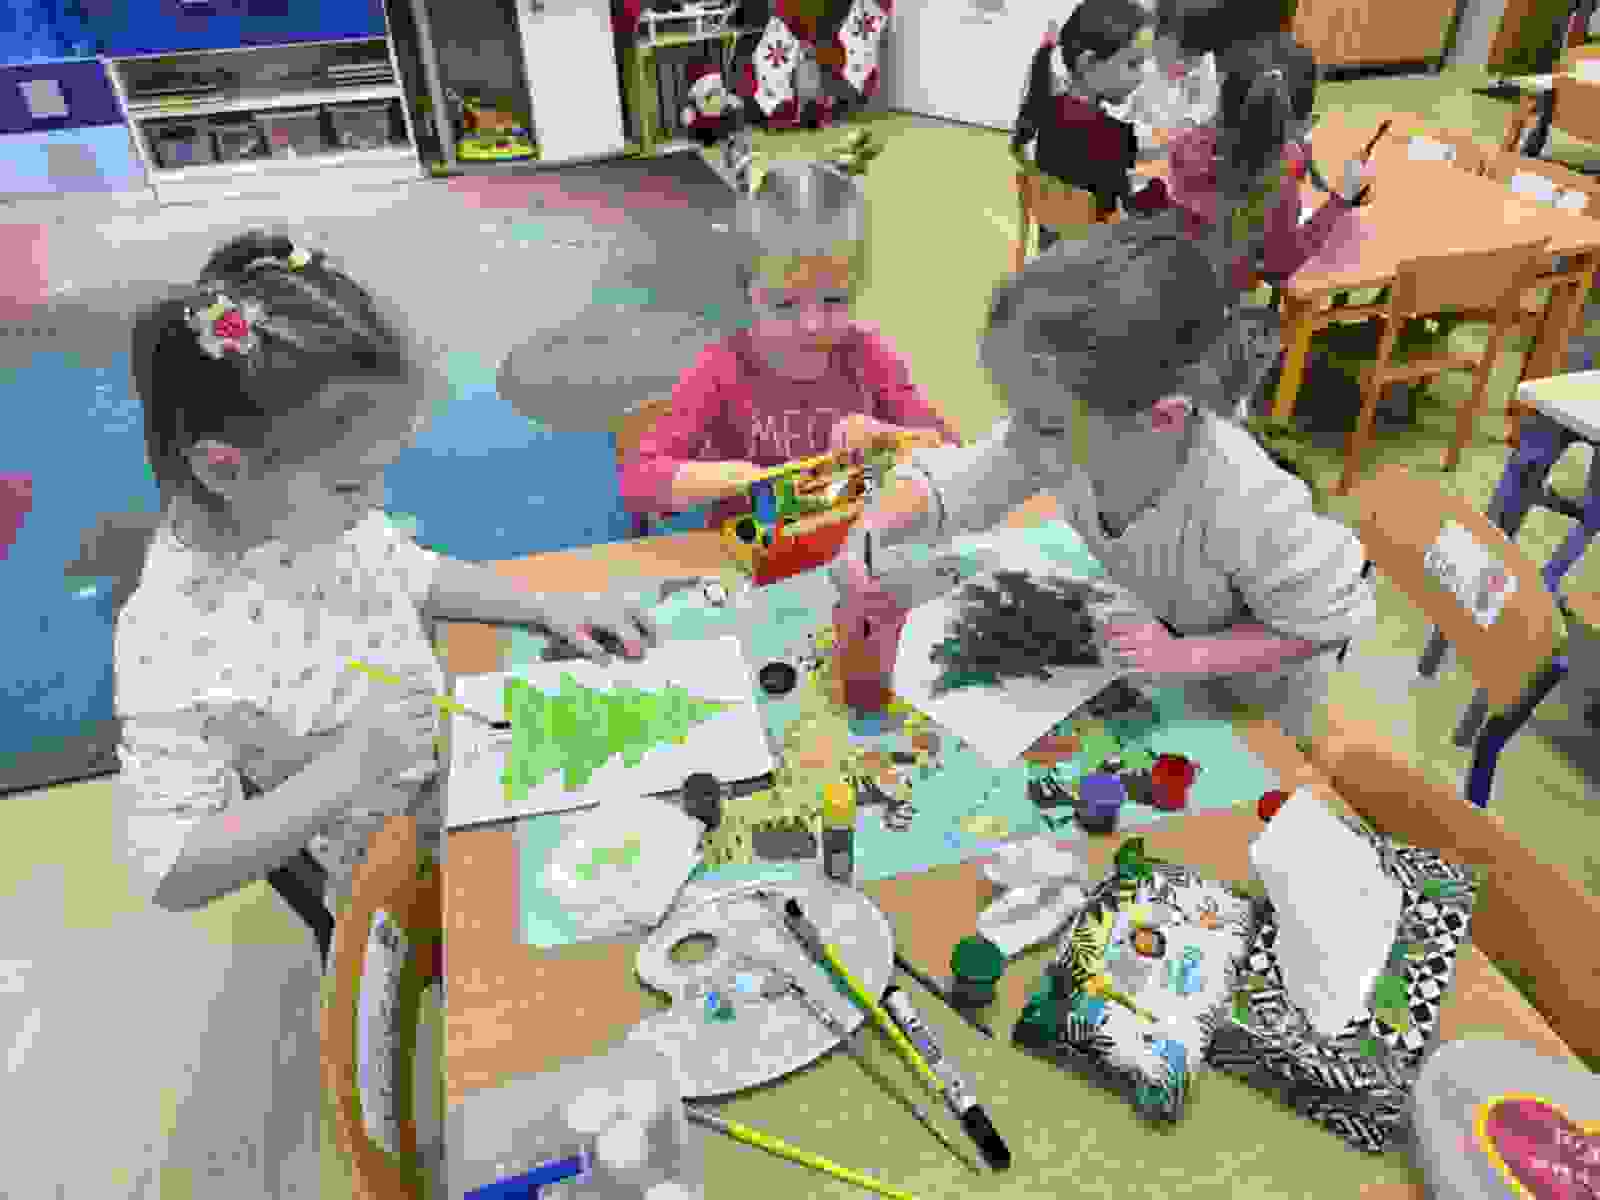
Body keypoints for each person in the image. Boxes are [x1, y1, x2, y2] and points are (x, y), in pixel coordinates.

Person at [116, 229, 660, 918]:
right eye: (351, 484)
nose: (374, 503)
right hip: (382, 875)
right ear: (224, 470)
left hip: (458, 787)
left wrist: (545, 605)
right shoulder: (169, 639)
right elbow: (170, 871)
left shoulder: (307, 519)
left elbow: (410, 572)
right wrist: (348, 769)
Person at [835, 221, 1375, 745]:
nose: (1021, 435)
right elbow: (969, 478)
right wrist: (879, 524)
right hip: (1165, 662)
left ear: (1161, 418)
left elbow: (1328, 622)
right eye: (1018, 410)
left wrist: (1183, 657)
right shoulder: (1067, 432)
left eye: (1043, 422)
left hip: (1259, 711)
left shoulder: (1246, 500)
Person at [617, 158, 960, 532]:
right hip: (753, 555)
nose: (812, 325)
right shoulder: (723, 368)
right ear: (747, 293)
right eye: (784, 304)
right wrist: (735, 479)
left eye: (833, 300)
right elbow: (638, 480)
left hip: (856, 544)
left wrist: (889, 437)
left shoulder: (869, 356)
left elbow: (953, 454)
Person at [1010, 0, 1172, 252]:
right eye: (1133, 64)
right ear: (1088, 63)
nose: (1140, 76)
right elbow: (1127, 206)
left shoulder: (1046, 109)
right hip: (1092, 262)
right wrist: (1159, 191)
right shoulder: (1111, 134)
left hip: (1051, 254)